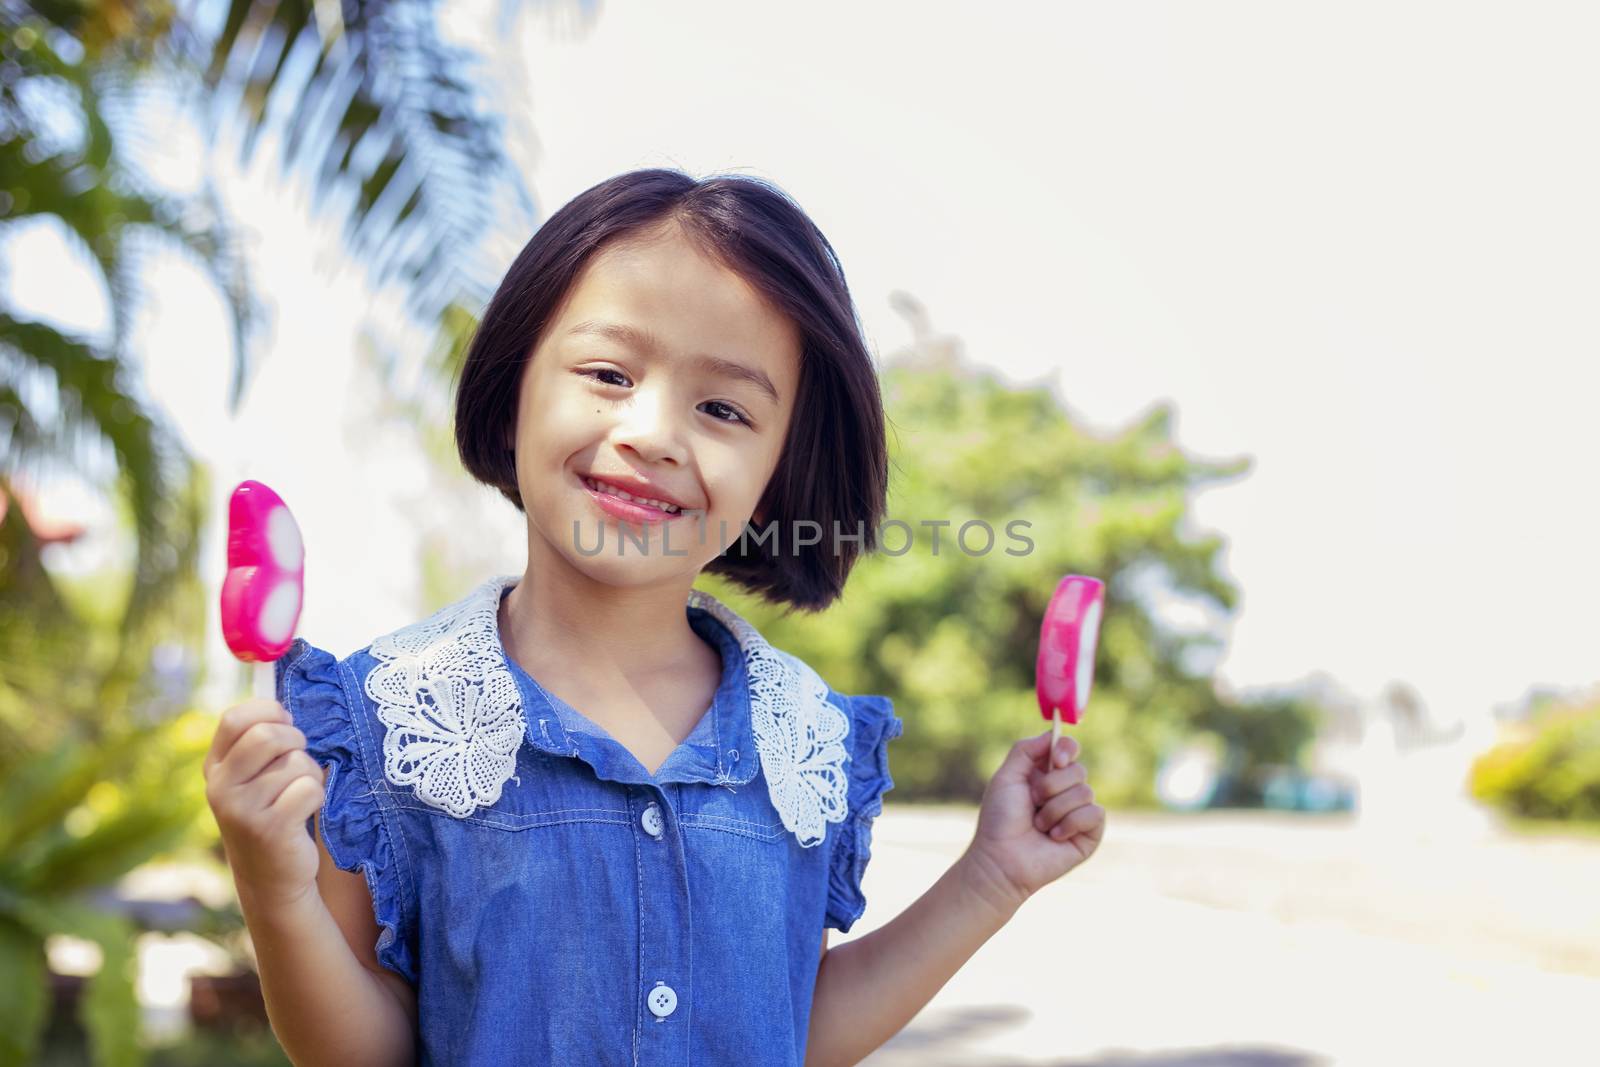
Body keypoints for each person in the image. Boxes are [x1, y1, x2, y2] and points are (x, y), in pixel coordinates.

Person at [202, 168, 1106, 1067]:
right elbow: (365, 1050)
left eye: (722, 408)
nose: (654, 432)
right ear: (516, 383)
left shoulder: (804, 741)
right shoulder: (388, 721)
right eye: (607, 373)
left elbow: (793, 1027)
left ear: (777, 473)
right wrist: (276, 891)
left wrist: (991, 878)